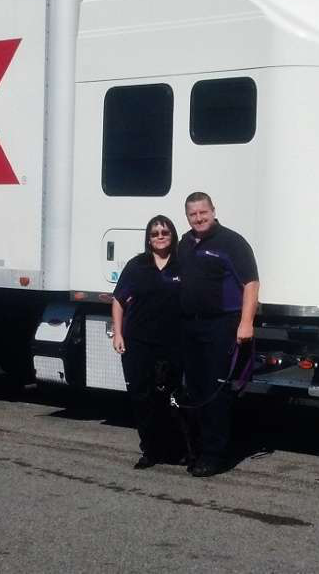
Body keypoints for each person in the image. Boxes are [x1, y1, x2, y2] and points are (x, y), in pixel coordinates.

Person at [178, 191, 259, 477]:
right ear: (187, 217)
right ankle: (197, 448)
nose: (199, 218)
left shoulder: (232, 242)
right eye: (193, 214)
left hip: (221, 324)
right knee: (195, 389)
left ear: (213, 210)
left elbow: (250, 284)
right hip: (190, 326)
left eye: (203, 212)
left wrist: (246, 322)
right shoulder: (185, 244)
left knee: (215, 390)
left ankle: (215, 455)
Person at [112, 215, 183, 469]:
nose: (160, 236)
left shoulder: (182, 264)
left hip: (173, 344)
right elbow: (119, 300)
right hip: (138, 343)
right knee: (142, 397)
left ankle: (175, 449)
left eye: (165, 232)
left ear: (173, 235)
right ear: (148, 239)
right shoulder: (137, 265)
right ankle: (150, 451)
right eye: (155, 233)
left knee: (172, 398)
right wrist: (118, 334)